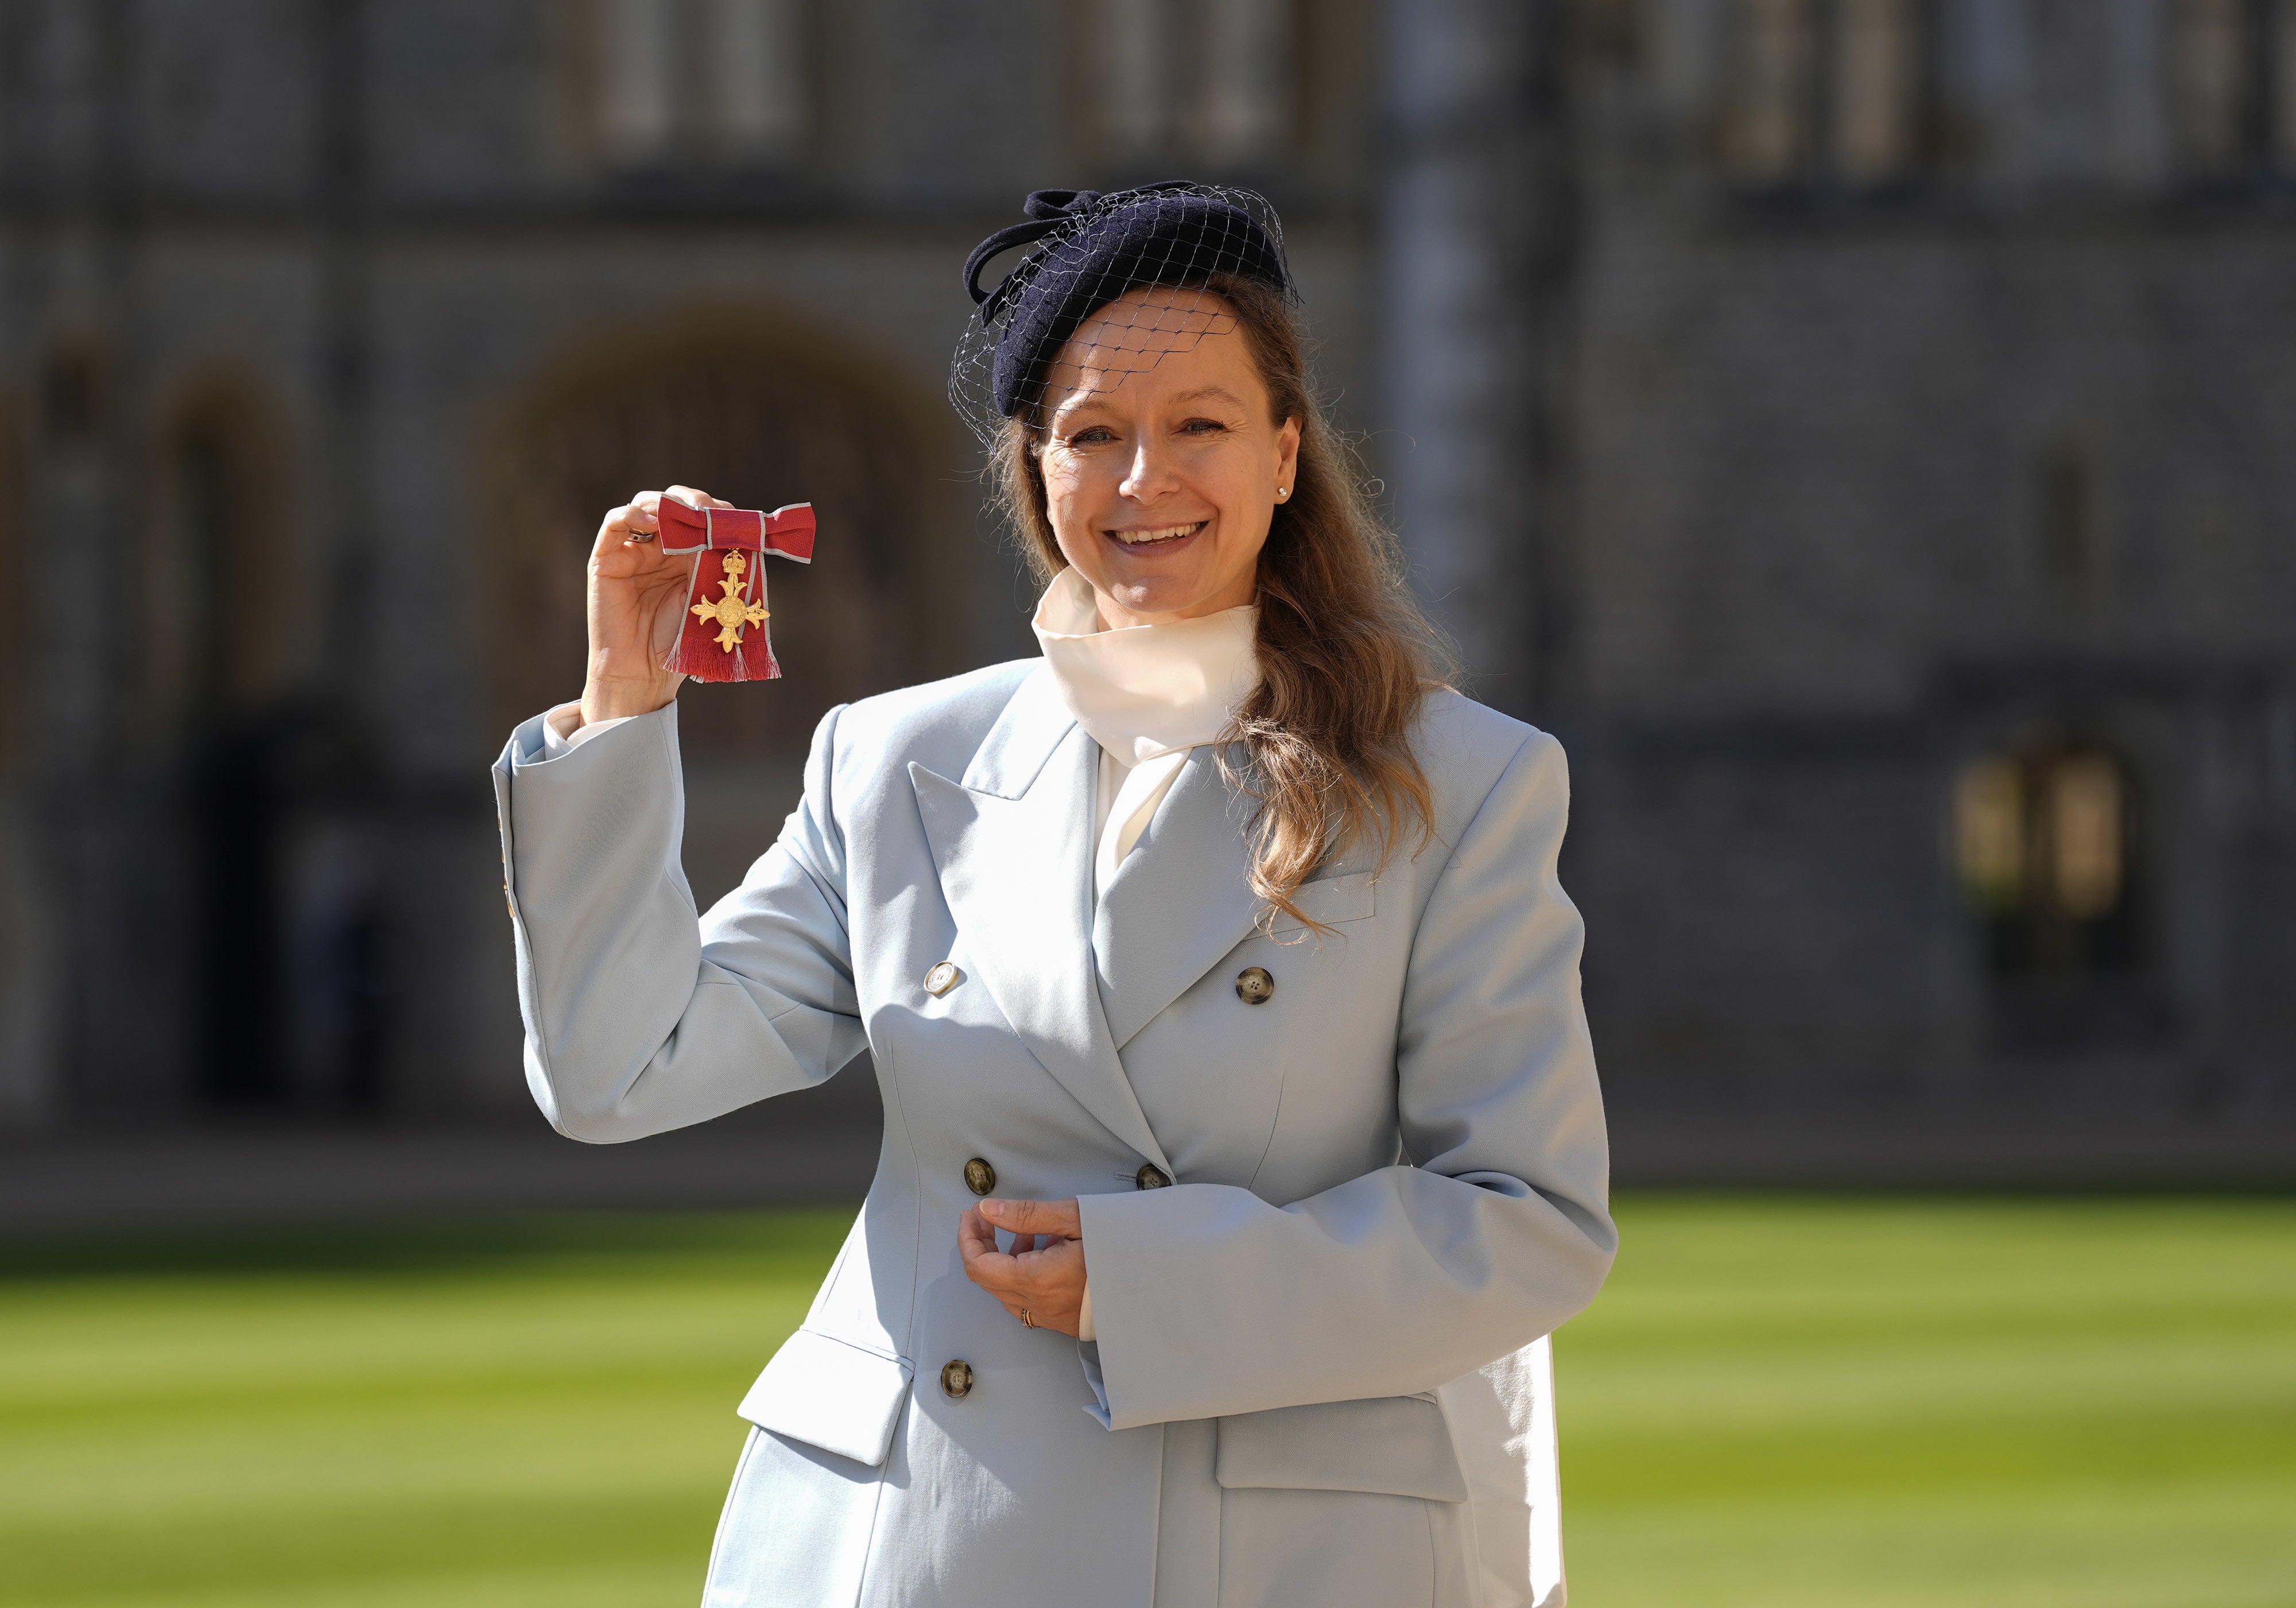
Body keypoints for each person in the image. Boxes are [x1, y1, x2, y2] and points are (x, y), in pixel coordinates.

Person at [492, 183, 1615, 1608]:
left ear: (1283, 456)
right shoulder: (894, 757)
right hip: (907, 1541)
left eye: (1198, 425)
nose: (1143, 481)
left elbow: (1527, 1220)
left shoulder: (1462, 779)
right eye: (1091, 436)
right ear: (1035, 475)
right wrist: (618, 707)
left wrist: (1151, 1289)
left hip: (1268, 1551)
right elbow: (613, 1073)